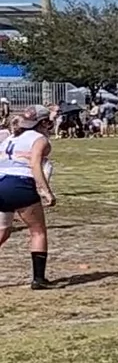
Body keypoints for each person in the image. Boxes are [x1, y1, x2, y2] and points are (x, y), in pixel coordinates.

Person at [0, 106, 57, 289]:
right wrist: (46, 191)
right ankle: (39, 279)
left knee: (3, 231)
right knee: (37, 231)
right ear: (44, 122)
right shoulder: (39, 139)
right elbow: (35, 164)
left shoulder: (10, 138)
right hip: (20, 184)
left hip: (1, 183)